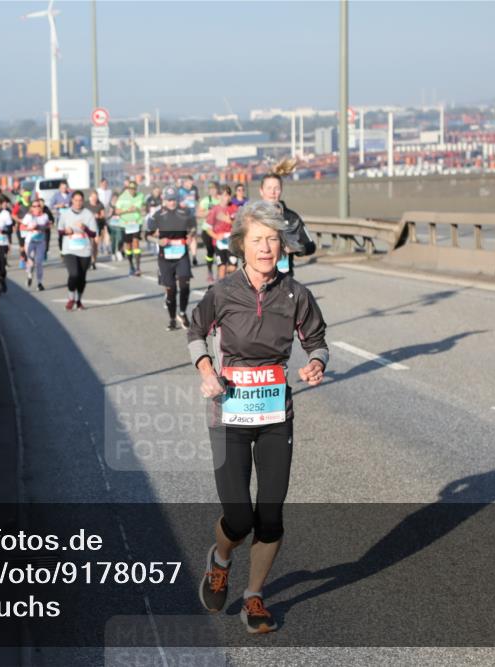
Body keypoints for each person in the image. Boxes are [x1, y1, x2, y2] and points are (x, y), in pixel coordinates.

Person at [187, 200, 328, 635]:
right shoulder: (223, 292)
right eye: (257, 240)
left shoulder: (295, 295)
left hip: (274, 413)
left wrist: (317, 363)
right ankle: (221, 559)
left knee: (270, 515)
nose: (266, 248)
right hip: (228, 411)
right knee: (240, 518)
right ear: (241, 246)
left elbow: (317, 340)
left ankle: (254, 597)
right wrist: (206, 369)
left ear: (281, 245)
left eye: (272, 239)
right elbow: (195, 331)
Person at [147, 186, 196, 331]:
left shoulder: (185, 212)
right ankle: (172, 318)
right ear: (164, 200)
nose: (172, 202)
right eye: (169, 200)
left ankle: (182, 313)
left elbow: (193, 227)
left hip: (182, 254)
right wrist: (158, 241)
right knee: (171, 290)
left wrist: (190, 235)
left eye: (174, 199)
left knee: (185, 285)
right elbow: (146, 235)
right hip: (165, 256)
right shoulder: (157, 215)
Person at [259, 159, 316, 276]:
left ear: (281, 191)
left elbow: (310, 246)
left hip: (284, 278)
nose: (273, 192)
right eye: (269, 188)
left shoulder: (291, 218)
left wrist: (294, 247)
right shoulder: (252, 216)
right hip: (258, 278)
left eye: (276, 188)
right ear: (261, 191)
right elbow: (237, 246)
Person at [58, 190, 98, 310]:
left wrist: (84, 228)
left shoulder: (88, 214)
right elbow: (59, 231)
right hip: (69, 250)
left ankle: (79, 300)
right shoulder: (65, 214)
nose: (78, 203)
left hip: (84, 250)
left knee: (82, 277)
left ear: (83, 201)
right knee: (74, 274)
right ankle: (71, 298)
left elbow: (93, 234)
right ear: (72, 201)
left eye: (80, 200)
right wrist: (66, 231)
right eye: (76, 200)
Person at [114, 181, 145, 276]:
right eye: (131, 189)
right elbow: (117, 211)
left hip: (136, 223)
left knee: (136, 243)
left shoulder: (141, 195)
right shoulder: (122, 197)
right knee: (128, 245)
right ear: (128, 189)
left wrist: (138, 209)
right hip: (125, 224)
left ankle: (138, 267)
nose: (133, 191)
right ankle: (131, 265)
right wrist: (127, 210)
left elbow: (144, 209)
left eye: (134, 189)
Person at [207, 185, 237, 280]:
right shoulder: (214, 210)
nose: (227, 198)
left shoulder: (234, 208)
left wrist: (230, 221)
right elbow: (208, 229)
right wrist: (216, 236)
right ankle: (221, 288)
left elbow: (240, 225)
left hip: (231, 242)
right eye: (224, 195)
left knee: (233, 268)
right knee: (222, 267)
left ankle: (226, 278)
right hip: (219, 243)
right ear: (218, 196)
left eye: (228, 195)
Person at [21, 199, 50, 290]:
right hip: (30, 242)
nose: (37, 208)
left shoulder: (45, 216)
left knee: (39, 263)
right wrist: (29, 229)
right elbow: (22, 227)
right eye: (34, 206)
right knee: (31, 262)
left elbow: (48, 226)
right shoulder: (28, 217)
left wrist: (41, 227)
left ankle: (39, 283)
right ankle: (29, 275)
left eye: (38, 206)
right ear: (31, 208)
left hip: (41, 242)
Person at [196, 181, 221, 282]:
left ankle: (221, 273)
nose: (212, 191)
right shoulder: (205, 201)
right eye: (210, 189)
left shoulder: (221, 200)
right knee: (210, 251)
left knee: (219, 251)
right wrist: (209, 212)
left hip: (219, 230)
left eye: (214, 189)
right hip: (207, 230)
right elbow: (198, 213)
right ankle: (210, 271)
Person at [86, 190, 107, 270]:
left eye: (96, 197)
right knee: (88, 244)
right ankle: (88, 259)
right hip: (87, 227)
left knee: (95, 244)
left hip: (96, 226)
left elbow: (103, 215)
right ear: (90, 197)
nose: (95, 199)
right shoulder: (86, 204)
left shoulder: (100, 204)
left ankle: (93, 261)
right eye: (93, 197)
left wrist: (98, 216)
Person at [49, 182, 72, 253]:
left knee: (69, 233)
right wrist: (58, 206)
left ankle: (69, 248)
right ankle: (61, 249)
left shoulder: (70, 194)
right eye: (62, 188)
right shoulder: (56, 195)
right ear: (59, 188)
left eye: (65, 187)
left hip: (69, 217)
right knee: (61, 234)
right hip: (60, 217)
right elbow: (51, 205)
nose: (64, 189)